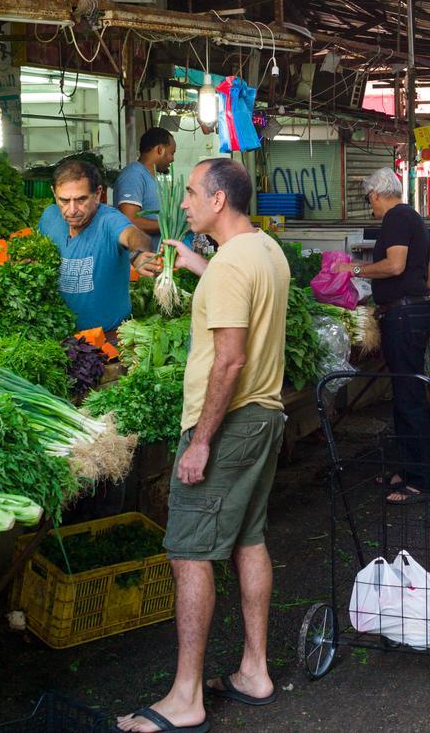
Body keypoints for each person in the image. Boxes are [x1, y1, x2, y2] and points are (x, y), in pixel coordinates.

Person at [116, 158, 290, 733]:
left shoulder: (232, 268)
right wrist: (199, 266)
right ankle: (254, 670)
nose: (184, 202)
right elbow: (242, 299)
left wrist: (201, 442)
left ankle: (186, 696)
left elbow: (231, 358)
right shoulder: (263, 250)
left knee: (190, 552)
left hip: (230, 423)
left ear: (218, 201)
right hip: (265, 416)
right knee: (248, 538)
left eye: (191, 193)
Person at [336, 168, 430, 504]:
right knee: (407, 394)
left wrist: (356, 269)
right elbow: (427, 271)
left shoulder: (396, 217)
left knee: (409, 396)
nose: (371, 206)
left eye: (369, 200)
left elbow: (395, 266)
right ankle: (408, 469)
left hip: (405, 315)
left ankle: (422, 480)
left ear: (377, 194)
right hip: (413, 312)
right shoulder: (412, 217)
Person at [39, 157, 161, 334]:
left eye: (81, 200)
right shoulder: (49, 217)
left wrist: (138, 254)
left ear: (97, 194)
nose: (71, 210)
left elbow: (134, 235)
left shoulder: (109, 220)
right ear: (53, 193)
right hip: (60, 334)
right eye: (64, 200)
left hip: (109, 337)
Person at [115, 127, 178, 249]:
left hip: (155, 259)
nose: (173, 159)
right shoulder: (133, 175)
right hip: (139, 262)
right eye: (172, 152)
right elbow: (129, 220)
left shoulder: (150, 177)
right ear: (160, 149)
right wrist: (171, 225)